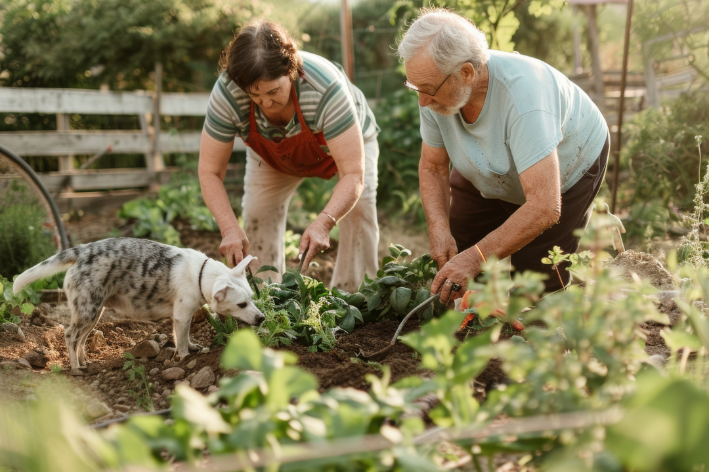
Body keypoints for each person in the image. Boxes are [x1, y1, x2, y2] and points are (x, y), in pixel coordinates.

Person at [398, 8, 610, 303]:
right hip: (488, 164)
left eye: (428, 89)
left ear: (467, 73)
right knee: (459, 251)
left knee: (536, 282)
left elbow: (544, 206)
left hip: (567, 166)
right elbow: (433, 167)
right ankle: (476, 318)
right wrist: (439, 229)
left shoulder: (523, 97)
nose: (422, 100)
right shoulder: (435, 88)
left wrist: (477, 258)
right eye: (415, 87)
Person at [198, 21, 380, 292]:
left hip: (342, 148)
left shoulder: (324, 90)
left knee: (359, 209)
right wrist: (229, 229)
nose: (267, 103)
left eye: (273, 91)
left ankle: (355, 296)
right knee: (259, 212)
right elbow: (209, 171)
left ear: (291, 70)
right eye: (255, 97)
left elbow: (353, 174)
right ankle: (265, 297)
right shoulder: (228, 93)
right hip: (273, 155)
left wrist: (324, 222)